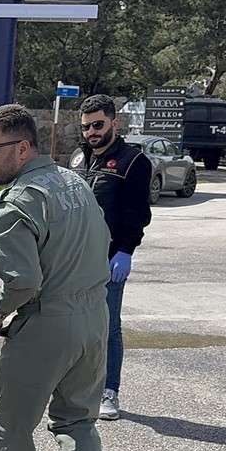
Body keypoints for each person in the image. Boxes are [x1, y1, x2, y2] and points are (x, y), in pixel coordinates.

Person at [0, 104, 125, 451]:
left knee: (12, 423)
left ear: (22, 148)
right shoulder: (75, 182)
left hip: (45, 326)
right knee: (77, 421)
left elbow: (23, 283)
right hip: (93, 321)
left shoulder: (15, 202)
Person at [76, 94, 152, 421]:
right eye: (86, 127)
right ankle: (80, 387)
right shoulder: (79, 159)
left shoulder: (133, 161)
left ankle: (109, 391)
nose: (92, 132)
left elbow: (137, 213)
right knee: (76, 325)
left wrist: (126, 251)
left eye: (98, 125)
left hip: (110, 260)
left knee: (108, 327)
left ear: (114, 124)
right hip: (75, 258)